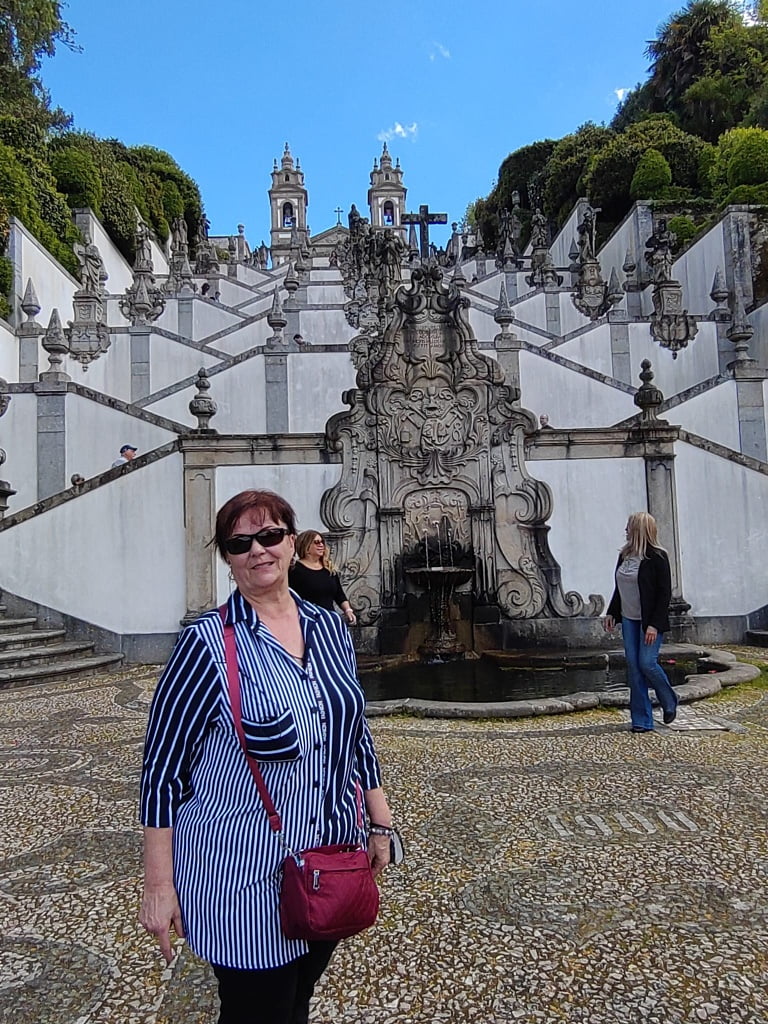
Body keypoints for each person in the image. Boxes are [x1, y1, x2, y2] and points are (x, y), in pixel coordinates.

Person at [139, 490, 393, 1023]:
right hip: (241, 874)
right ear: (228, 558)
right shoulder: (206, 644)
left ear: (291, 542)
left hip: (330, 858)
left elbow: (354, 732)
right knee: (259, 1010)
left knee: (298, 999)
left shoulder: (328, 628)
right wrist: (159, 886)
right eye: (240, 543)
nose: (258, 549)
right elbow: (162, 771)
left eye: (270, 535)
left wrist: (380, 823)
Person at [604, 511, 678, 733]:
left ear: (638, 529)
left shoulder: (657, 557)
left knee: (647, 663)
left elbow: (664, 594)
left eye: (629, 526)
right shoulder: (624, 556)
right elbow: (620, 588)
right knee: (634, 667)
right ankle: (641, 720)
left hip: (648, 622)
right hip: (629, 619)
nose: (625, 530)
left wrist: (654, 625)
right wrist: (612, 612)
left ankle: (669, 698)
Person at [289, 531, 357, 626]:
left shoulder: (328, 568)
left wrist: (348, 610)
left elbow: (339, 594)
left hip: (330, 620)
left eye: (322, 542)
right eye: (316, 542)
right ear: (306, 546)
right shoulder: (294, 570)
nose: (321, 545)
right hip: (308, 622)